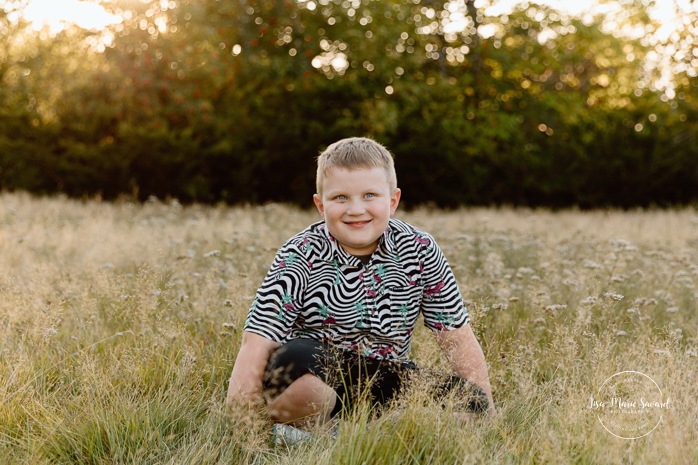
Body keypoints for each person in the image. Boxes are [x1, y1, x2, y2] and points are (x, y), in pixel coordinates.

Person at [226, 137, 495, 433]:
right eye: (340, 198)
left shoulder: (420, 249)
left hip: (385, 376)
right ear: (320, 205)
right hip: (316, 376)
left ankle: (363, 435)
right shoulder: (300, 253)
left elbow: (456, 337)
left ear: (392, 201)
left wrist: (488, 413)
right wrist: (242, 425)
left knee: (471, 401)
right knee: (294, 357)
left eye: (370, 195)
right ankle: (310, 430)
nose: (356, 210)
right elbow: (257, 342)